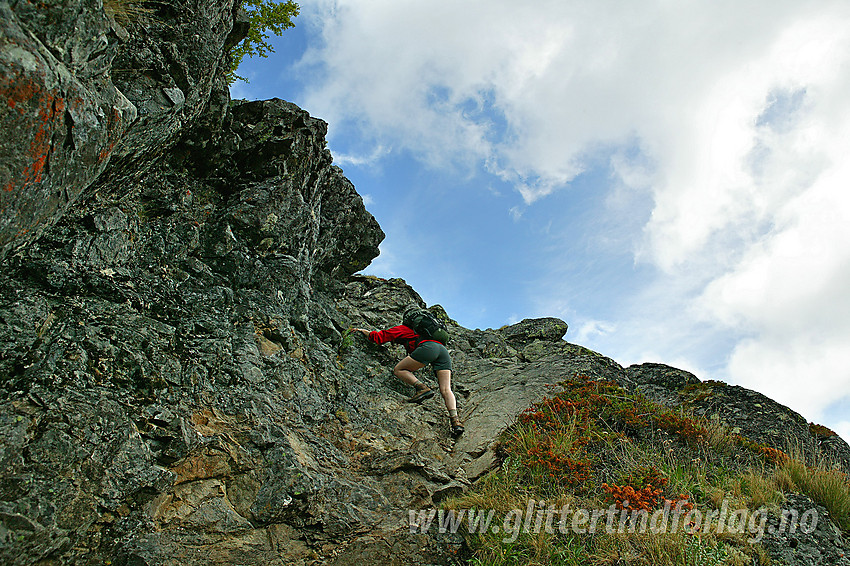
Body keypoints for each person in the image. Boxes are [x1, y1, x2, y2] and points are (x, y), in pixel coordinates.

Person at [354, 319, 464, 436]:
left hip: (429, 348)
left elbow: (379, 337)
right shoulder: (427, 333)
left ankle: (421, 387)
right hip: (443, 351)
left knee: (399, 370)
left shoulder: (403, 329)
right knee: (446, 389)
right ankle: (455, 421)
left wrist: (364, 331)